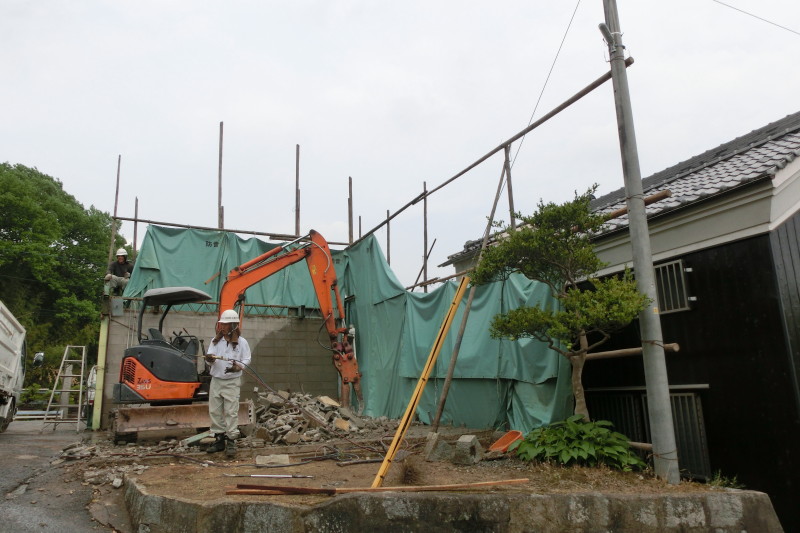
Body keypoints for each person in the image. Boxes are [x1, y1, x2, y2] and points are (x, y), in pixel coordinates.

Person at [204, 309, 251, 457]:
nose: (222, 327)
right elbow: (209, 356)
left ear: (233, 325)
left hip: (232, 382)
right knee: (215, 411)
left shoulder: (242, 342)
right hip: (216, 380)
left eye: (225, 324)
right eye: (221, 324)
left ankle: (231, 441)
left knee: (231, 411)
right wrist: (209, 359)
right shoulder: (215, 341)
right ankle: (218, 440)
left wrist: (239, 367)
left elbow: (246, 359)